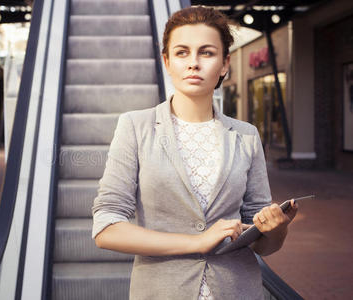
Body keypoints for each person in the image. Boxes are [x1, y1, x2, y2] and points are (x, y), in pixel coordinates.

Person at [92, 6, 298, 300]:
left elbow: (262, 242)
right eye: (181, 52)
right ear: (167, 61)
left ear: (225, 63)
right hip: (161, 291)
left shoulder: (246, 134)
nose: (193, 63)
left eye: (206, 52)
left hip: (236, 290)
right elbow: (106, 227)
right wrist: (197, 242)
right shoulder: (135, 127)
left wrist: (277, 229)